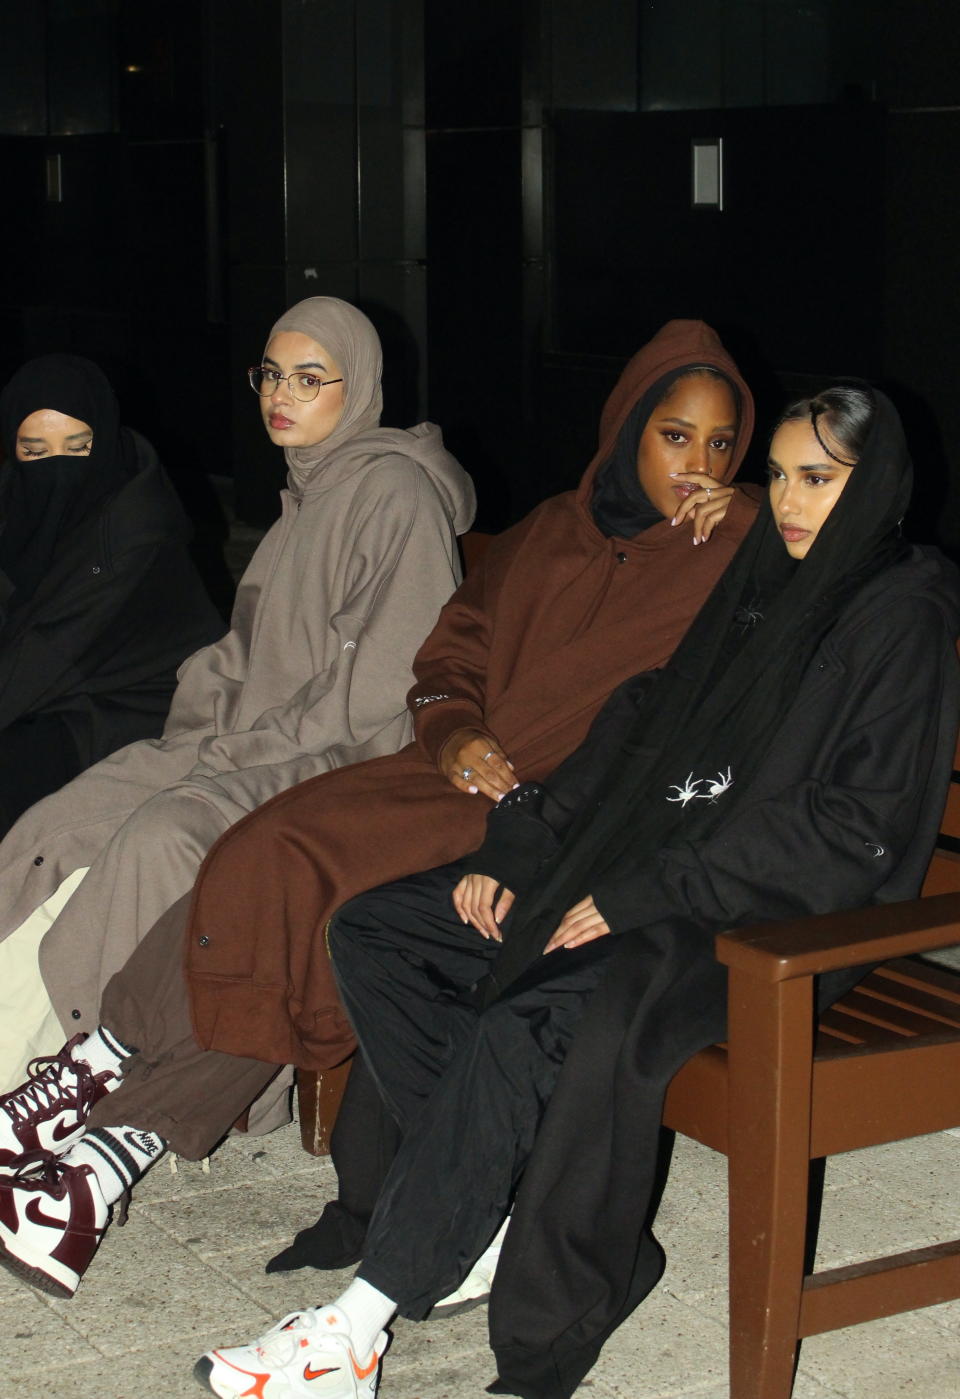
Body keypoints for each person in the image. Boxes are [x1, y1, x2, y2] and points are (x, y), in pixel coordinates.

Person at [190, 383, 958, 1399]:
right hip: (663, 872)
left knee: (527, 1012)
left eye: (819, 478)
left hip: (775, 919)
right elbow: (643, 728)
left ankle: (360, 1327)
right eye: (776, 476)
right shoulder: (768, 577)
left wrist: (647, 889)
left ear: (876, 484)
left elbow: (848, 832)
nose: (789, 501)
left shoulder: (899, 610)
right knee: (383, 929)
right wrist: (526, 847)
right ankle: (482, 1213)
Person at [0, 319, 760, 1294]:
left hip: (553, 813)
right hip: (444, 776)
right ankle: (106, 1056)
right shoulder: (550, 533)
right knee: (263, 848)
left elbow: (817, 554)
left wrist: (747, 513)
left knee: (321, 898)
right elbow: (449, 654)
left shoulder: (724, 547)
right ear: (626, 430)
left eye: (721, 444)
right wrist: (450, 729)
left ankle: (108, 1155)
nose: (697, 462)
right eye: (675, 435)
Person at [0, 296, 474, 1094]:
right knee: (73, 810)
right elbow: (237, 654)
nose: (281, 396)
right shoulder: (310, 489)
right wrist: (190, 737)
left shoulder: (396, 494)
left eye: (309, 378)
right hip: (257, 740)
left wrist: (228, 753)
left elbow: (372, 693)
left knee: (161, 832)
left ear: (355, 386)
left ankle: (72, 1064)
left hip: (344, 762)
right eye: (272, 374)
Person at [0, 353, 222, 833]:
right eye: (35, 452)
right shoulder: (11, 501)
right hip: (56, 683)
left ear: (103, 444)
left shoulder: (133, 531)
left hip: (132, 709)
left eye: (77, 448)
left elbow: (48, 651)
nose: (56, 470)